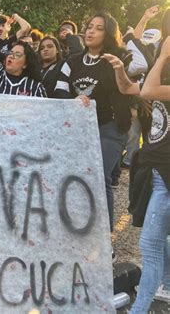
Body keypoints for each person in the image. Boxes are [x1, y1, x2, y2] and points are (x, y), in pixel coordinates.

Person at [54, 12, 139, 238]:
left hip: (110, 127)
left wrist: (122, 65)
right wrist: (72, 100)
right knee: (81, 178)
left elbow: (136, 78)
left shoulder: (120, 57)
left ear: (109, 33)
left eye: (98, 28)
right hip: (80, 130)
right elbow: (60, 89)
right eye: (89, 26)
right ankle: (78, 233)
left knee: (99, 178)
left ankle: (104, 242)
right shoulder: (72, 61)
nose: (90, 31)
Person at [130, 36, 170, 313]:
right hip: (155, 170)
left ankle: (139, 309)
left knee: (150, 244)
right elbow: (136, 89)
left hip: (167, 175)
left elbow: (148, 91)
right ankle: (166, 285)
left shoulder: (161, 78)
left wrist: (163, 55)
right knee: (160, 240)